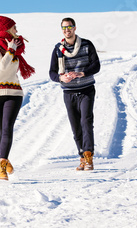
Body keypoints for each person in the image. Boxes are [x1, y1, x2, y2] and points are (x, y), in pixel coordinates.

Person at [0, 10, 35, 180]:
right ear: (6, 29)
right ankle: (3, 160)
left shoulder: (16, 48)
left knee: (7, 128)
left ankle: (2, 165)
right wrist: (11, 48)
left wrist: (14, 48)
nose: (16, 30)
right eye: (14, 27)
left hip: (14, 93)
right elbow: (2, 65)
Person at [49, 17, 100, 171]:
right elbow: (51, 72)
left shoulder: (87, 44)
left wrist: (83, 73)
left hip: (86, 90)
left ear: (75, 28)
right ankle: (82, 157)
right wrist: (60, 77)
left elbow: (96, 65)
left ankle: (89, 155)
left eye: (70, 27)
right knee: (75, 126)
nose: (67, 30)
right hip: (68, 92)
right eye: (64, 28)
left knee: (86, 121)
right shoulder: (58, 49)